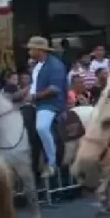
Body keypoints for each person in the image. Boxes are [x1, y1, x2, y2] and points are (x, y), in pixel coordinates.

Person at [25, 36, 68, 178]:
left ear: (40, 50)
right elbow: (34, 85)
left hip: (51, 104)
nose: (29, 51)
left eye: (31, 48)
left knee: (41, 127)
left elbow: (54, 89)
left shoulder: (55, 65)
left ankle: (52, 161)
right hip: (37, 103)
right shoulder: (37, 66)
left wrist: (35, 96)